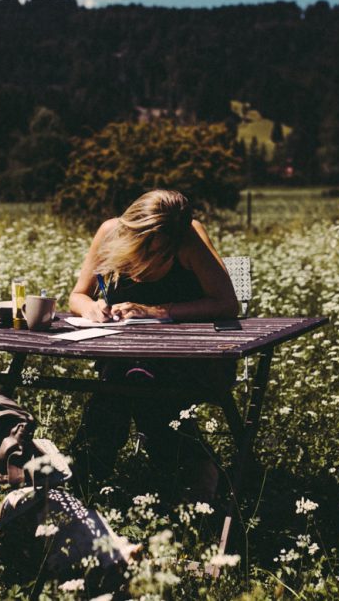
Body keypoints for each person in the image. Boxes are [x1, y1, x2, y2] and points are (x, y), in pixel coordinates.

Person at [68, 189, 239, 502]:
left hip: (190, 358)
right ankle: (194, 467)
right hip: (122, 354)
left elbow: (227, 303)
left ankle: (84, 474)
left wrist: (157, 311)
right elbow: (78, 295)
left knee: (131, 383)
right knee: (130, 378)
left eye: (158, 250)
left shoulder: (189, 237)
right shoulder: (109, 232)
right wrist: (90, 308)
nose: (149, 255)